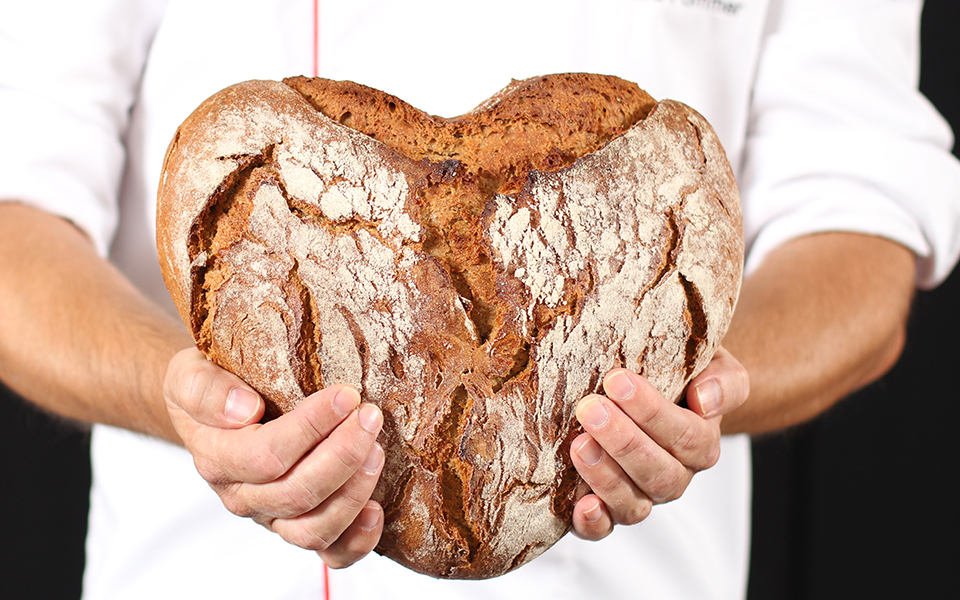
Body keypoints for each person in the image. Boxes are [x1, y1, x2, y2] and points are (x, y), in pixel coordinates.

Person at [0, 0, 957, 598]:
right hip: (201, 576)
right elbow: (14, 220)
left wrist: (695, 394)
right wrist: (200, 407)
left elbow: (859, 225)